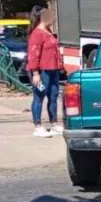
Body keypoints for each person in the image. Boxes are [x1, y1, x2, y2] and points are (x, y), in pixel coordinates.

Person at [27, 7, 63, 137]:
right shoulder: (37, 33)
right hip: (42, 71)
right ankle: (37, 126)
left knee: (53, 96)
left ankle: (53, 123)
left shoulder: (48, 32)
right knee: (39, 96)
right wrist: (35, 73)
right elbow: (34, 54)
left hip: (53, 70)